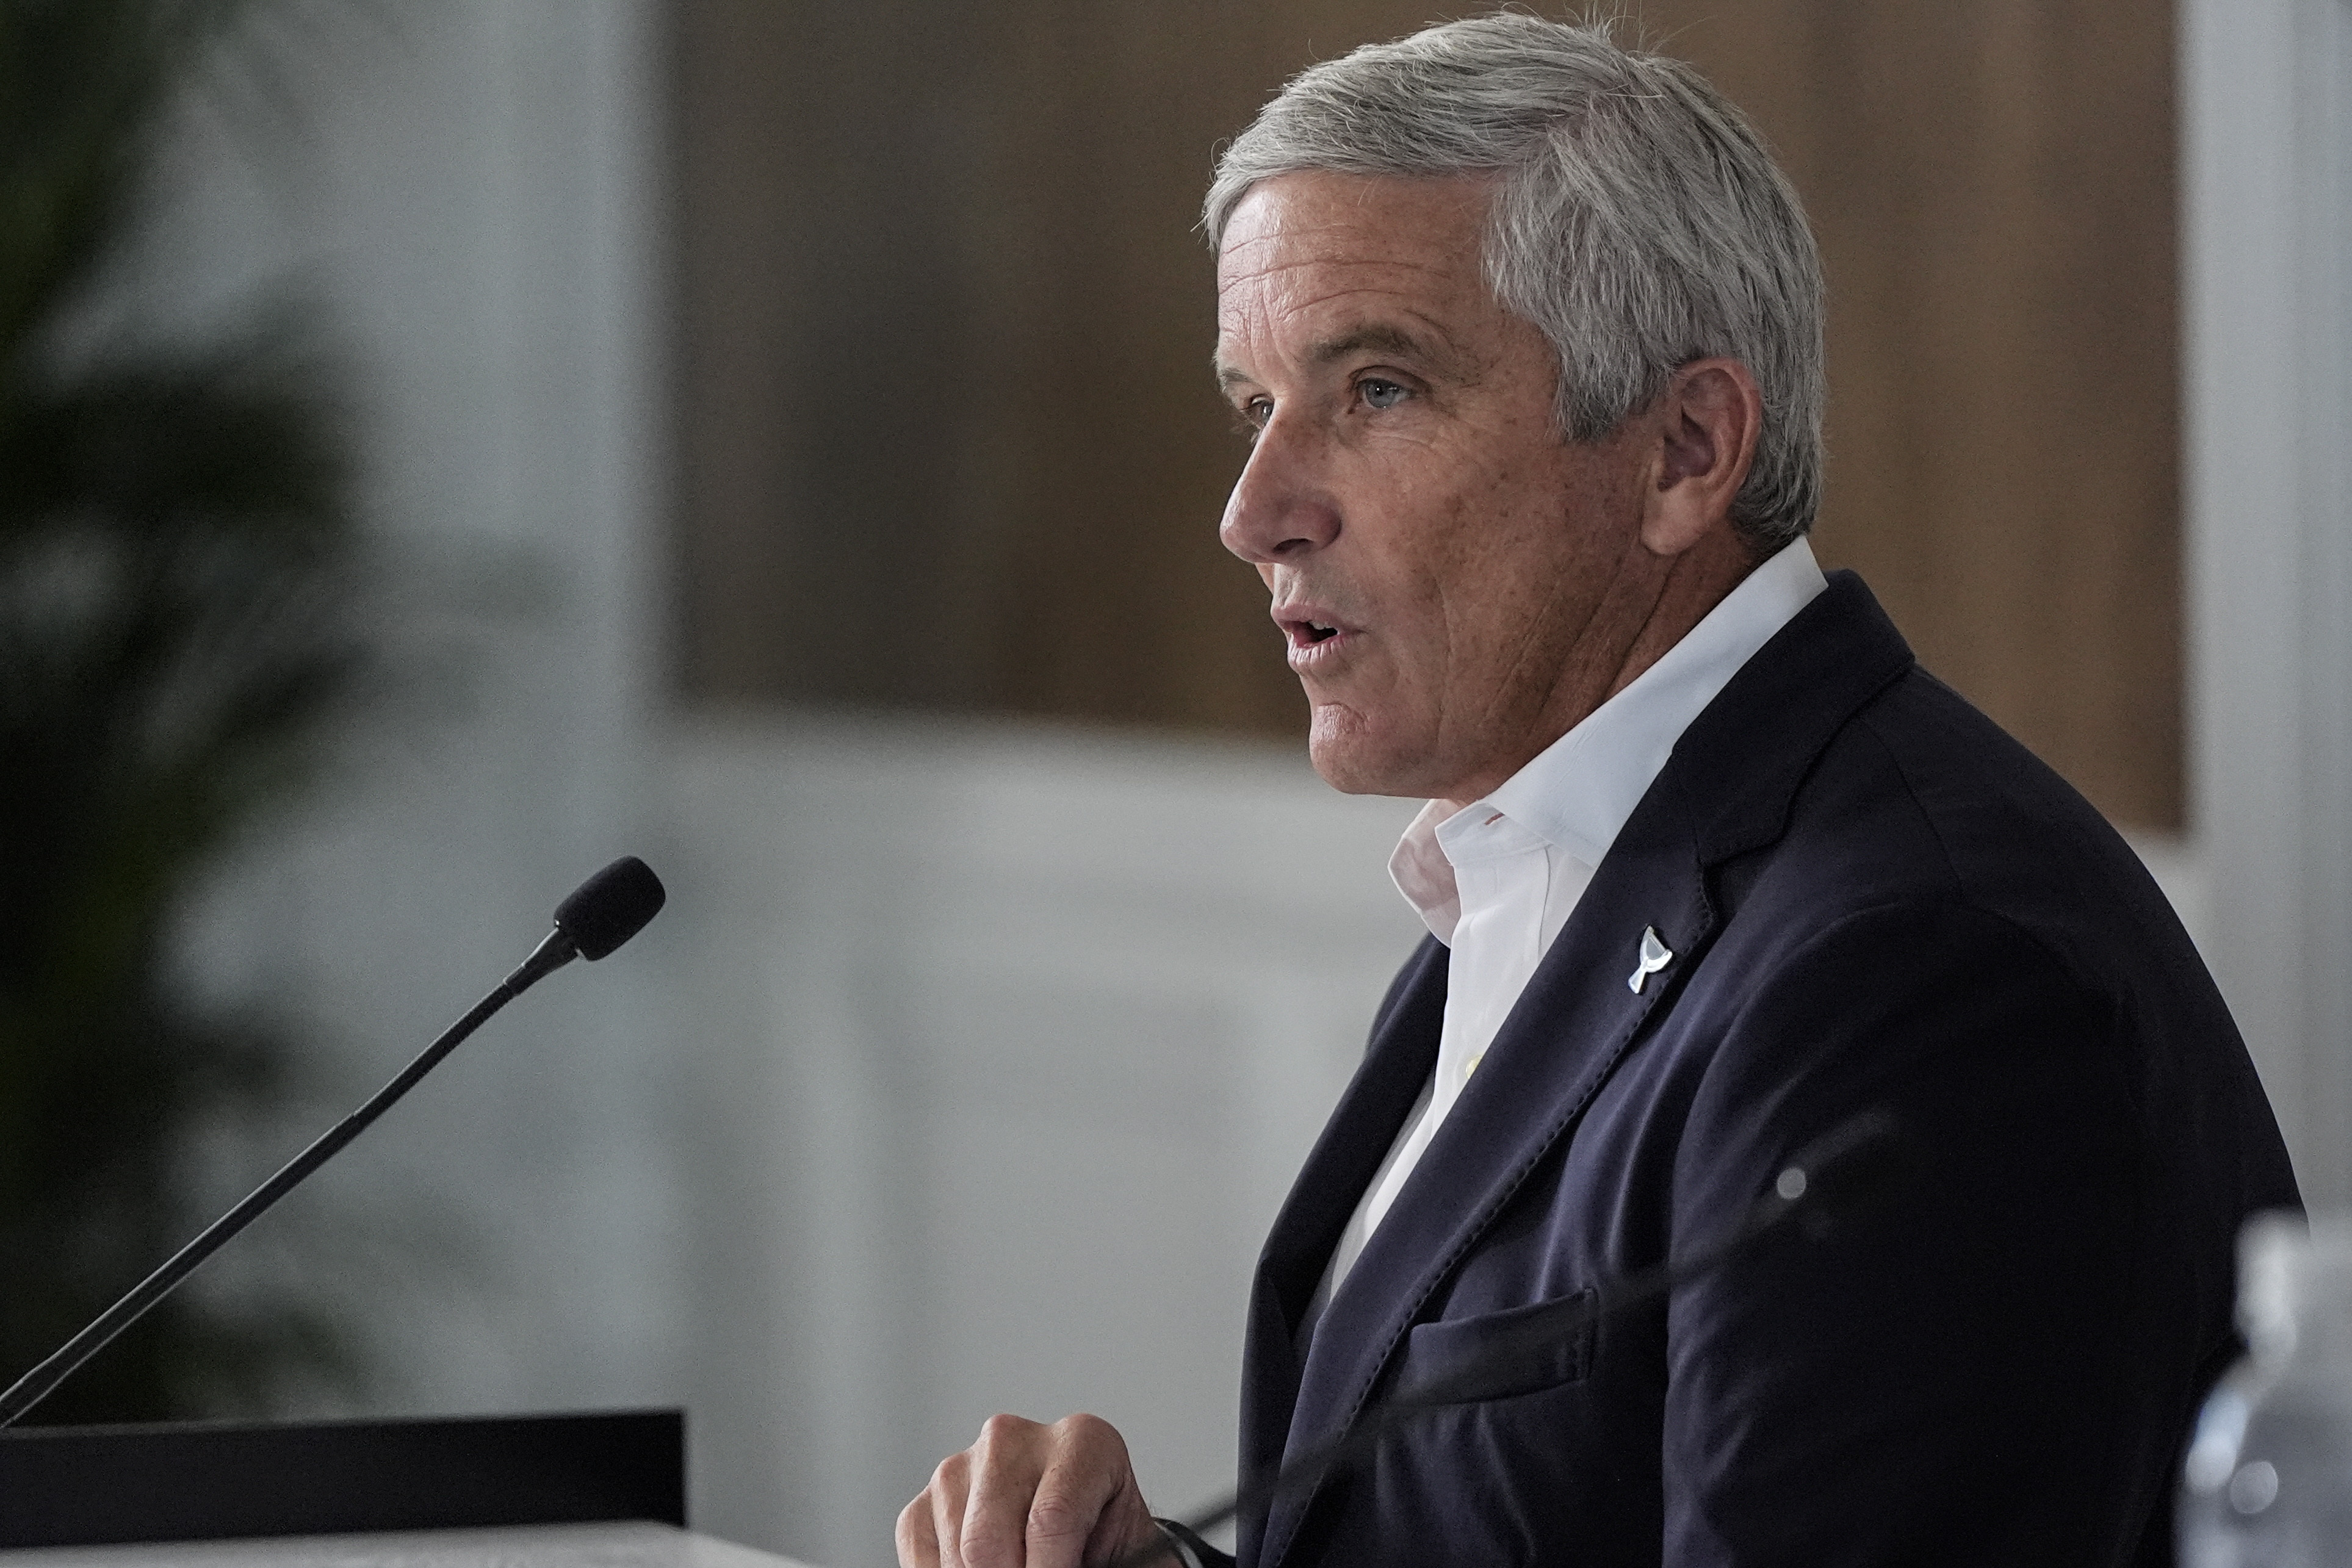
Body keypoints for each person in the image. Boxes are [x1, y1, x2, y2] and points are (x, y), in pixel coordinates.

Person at [896, 15, 2299, 1568]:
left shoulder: (1914, 978)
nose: (1254, 512)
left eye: (1375, 390)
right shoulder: (1538, 857)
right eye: (1255, 404)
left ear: (1684, 451)